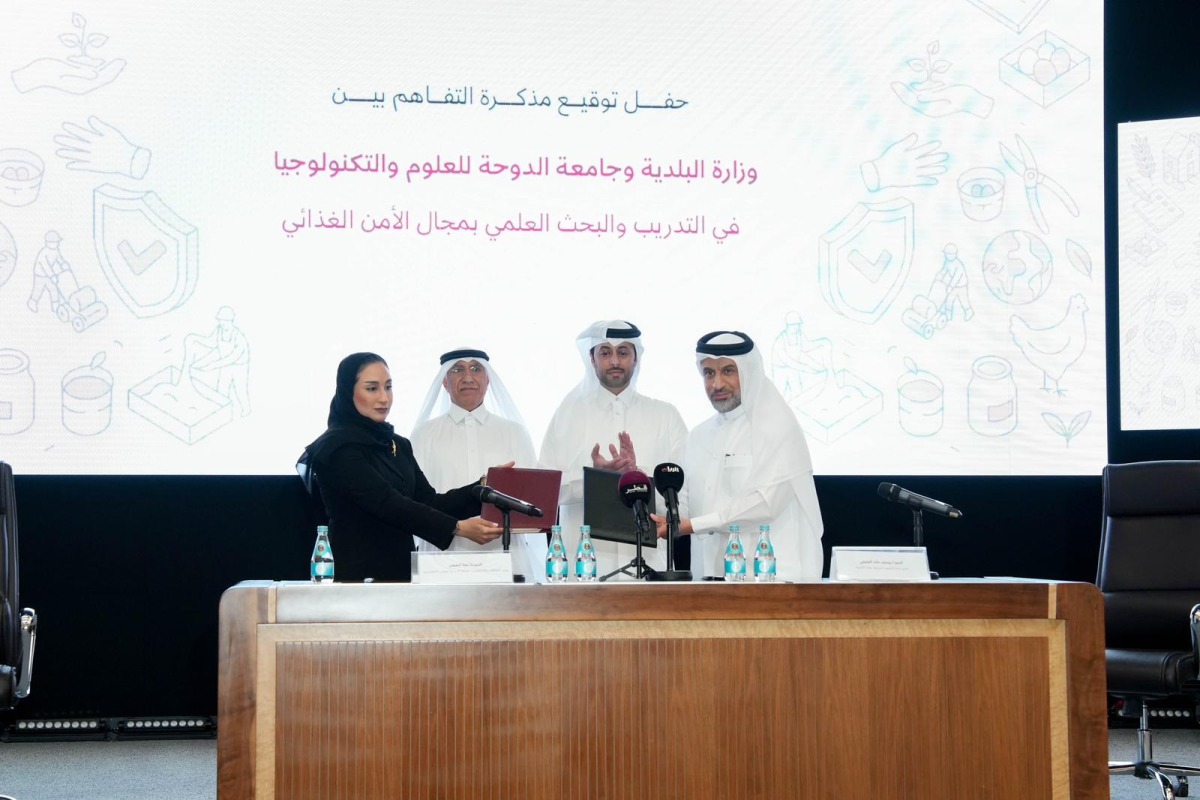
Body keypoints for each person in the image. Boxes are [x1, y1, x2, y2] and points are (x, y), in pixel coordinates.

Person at [297, 352, 502, 582]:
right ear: (348, 391)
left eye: (388, 387)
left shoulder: (397, 445)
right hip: (356, 578)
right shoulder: (336, 448)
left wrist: (484, 487)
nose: (384, 398)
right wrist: (457, 528)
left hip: (401, 575)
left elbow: (428, 502)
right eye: (372, 388)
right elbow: (387, 503)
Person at [655, 331, 824, 581]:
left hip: (769, 579)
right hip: (710, 578)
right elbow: (682, 503)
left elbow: (765, 503)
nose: (717, 384)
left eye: (728, 371)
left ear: (749, 371)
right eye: (709, 373)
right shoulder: (698, 436)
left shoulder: (777, 428)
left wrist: (693, 525)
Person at [539, 320, 687, 577]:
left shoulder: (666, 416)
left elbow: (683, 500)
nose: (615, 361)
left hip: (649, 562)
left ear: (636, 358)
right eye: (605, 352)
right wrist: (595, 479)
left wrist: (638, 474)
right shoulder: (567, 416)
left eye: (623, 353)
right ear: (592, 359)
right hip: (584, 564)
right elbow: (546, 492)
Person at [410, 348, 541, 579]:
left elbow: (534, 499)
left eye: (476, 369)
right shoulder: (423, 435)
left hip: (505, 553)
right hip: (443, 555)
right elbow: (416, 502)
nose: (468, 377)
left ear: (488, 379)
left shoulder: (514, 432)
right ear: (444, 382)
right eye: (458, 369)